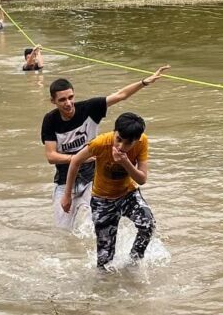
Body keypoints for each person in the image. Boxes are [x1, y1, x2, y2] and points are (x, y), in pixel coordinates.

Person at [41, 67, 169, 232]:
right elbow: (51, 156)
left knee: (92, 227)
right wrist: (78, 158)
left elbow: (121, 95)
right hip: (64, 180)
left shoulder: (89, 108)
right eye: (62, 100)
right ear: (53, 101)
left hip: (92, 179)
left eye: (71, 97)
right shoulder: (50, 120)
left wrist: (144, 82)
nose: (68, 103)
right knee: (62, 231)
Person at [61, 112, 154, 268]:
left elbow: (142, 179)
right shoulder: (100, 143)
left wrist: (125, 162)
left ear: (137, 140)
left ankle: (133, 263)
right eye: (118, 139)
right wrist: (67, 195)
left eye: (128, 143)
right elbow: (75, 161)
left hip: (128, 194)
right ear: (114, 132)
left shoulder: (142, 141)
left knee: (148, 225)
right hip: (102, 200)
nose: (121, 146)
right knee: (105, 260)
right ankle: (105, 282)